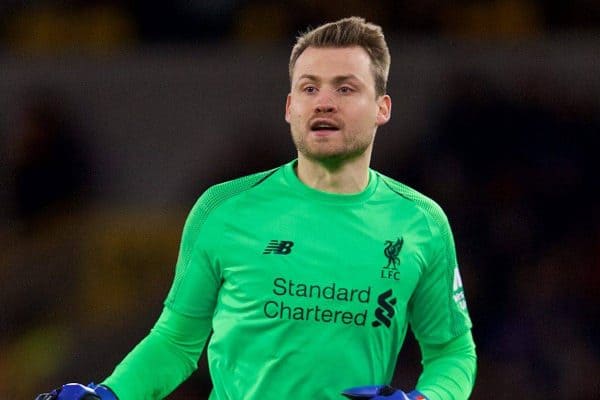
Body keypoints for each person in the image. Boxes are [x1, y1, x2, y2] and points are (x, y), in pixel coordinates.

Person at [36, 17, 477, 400]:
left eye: (345, 88)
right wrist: (112, 393)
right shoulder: (224, 209)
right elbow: (176, 342)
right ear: (290, 107)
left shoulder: (421, 223)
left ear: (382, 108)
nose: (324, 101)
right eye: (309, 88)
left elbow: (453, 351)